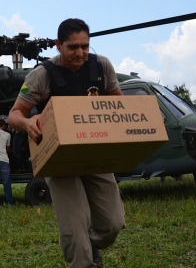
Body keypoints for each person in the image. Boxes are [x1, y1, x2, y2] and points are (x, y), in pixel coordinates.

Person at [8, 18, 125, 268]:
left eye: (85, 46)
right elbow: (15, 114)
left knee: (113, 224)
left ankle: (92, 244)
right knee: (74, 229)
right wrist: (29, 123)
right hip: (59, 160)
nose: (80, 53)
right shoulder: (41, 75)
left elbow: (119, 103)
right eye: (73, 47)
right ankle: (82, 260)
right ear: (58, 45)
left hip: (95, 152)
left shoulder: (102, 66)